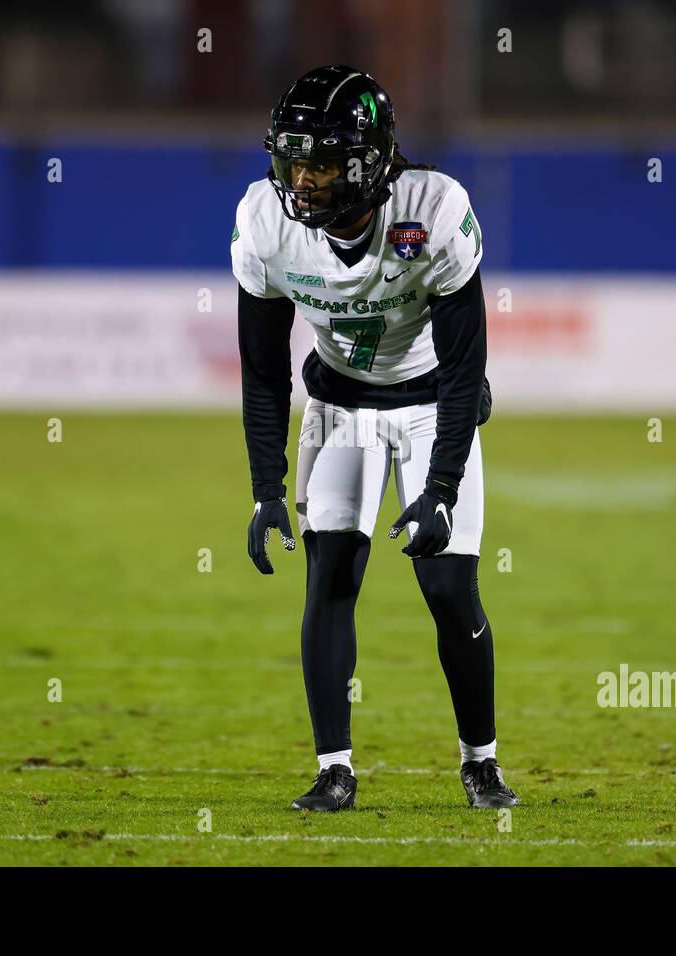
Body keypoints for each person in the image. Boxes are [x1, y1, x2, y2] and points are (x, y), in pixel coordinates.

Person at [233, 65, 517, 812]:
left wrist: (442, 487)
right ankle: (335, 770)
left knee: (449, 587)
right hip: (339, 407)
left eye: (321, 162)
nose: (303, 180)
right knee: (329, 579)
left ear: (366, 162)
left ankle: (480, 762)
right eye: (294, 161)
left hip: (431, 403)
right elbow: (262, 373)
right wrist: (266, 488)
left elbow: (465, 371)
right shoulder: (267, 224)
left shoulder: (434, 209)